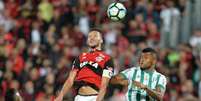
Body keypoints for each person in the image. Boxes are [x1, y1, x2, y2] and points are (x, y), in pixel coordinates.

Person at [55, 30, 114, 101]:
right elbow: (70, 79)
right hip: (78, 97)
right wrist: (61, 95)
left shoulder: (107, 59)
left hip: (94, 97)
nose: (91, 38)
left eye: (95, 36)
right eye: (89, 37)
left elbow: (104, 85)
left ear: (101, 40)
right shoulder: (80, 57)